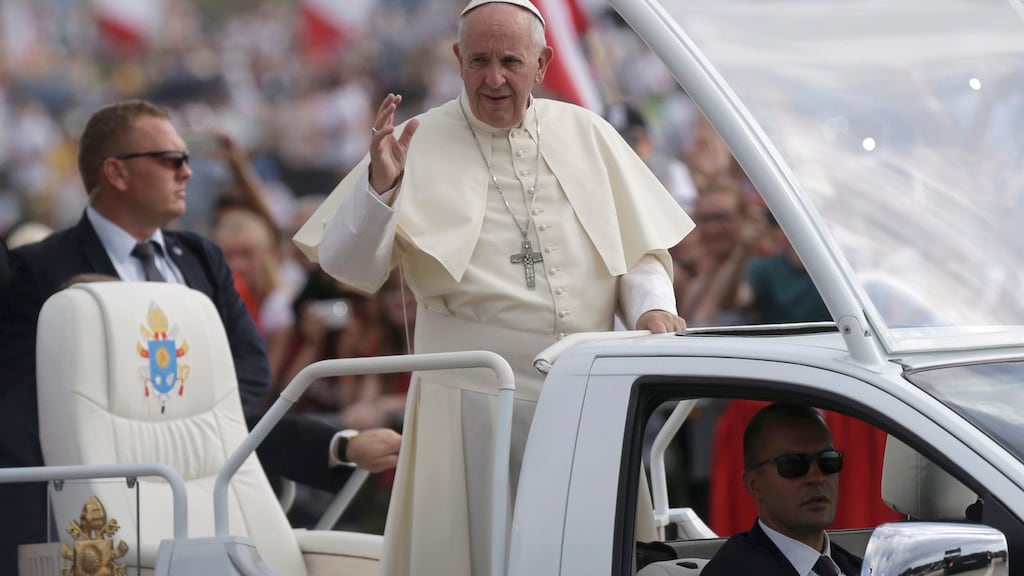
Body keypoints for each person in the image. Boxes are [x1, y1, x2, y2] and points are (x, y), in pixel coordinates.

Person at [293, 1, 694, 574]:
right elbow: (347, 264)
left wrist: (653, 310)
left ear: (543, 61)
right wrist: (380, 187)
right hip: (469, 400)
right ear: (457, 59)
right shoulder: (414, 141)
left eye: (510, 60)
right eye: (478, 60)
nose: (494, 78)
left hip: (583, 396)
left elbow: (638, 251)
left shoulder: (587, 132)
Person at [0, 99, 400, 573]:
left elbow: (242, 390)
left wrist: (335, 444)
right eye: (171, 160)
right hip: (111, 521)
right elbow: (20, 415)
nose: (188, 172)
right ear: (117, 173)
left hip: (210, 502)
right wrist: (27, 552)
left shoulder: (201, 258)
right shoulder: (38, 271)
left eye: (187, 158)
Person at [702, 403, 862, 576]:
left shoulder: (860, 568)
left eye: (828, 461)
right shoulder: (731, 571)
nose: (817, 478)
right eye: (793, 465)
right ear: (753, 484)